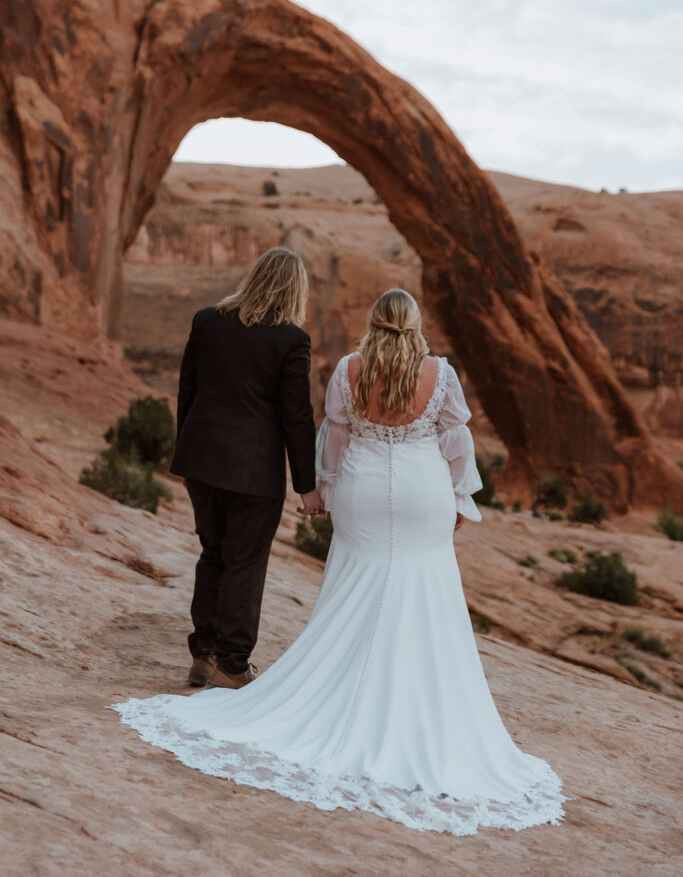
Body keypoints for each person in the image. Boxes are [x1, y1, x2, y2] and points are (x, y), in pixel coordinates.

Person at [112, 289, 565, 836]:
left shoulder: (350, 370)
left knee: (357, 584)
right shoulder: (439, 373)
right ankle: (416, 709)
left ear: (373, 324)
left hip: (364, 491)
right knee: (427, 587)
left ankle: (334, 696)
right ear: (415, 325)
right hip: (423, 493)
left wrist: (321, 489)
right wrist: (462, 496)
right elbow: (455, 438)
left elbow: (334, 437)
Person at [168, 247, 324, 690]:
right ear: (296, 289)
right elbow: (297, 416)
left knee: (212, 552)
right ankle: (232, 664)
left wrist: (187, 455)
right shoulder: (291, 339)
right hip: (253, 473)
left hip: (202, 461)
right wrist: (306, 486)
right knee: (245, 565)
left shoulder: (207, 320)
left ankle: (203, 653)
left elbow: (188, 391)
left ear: (254, 276)